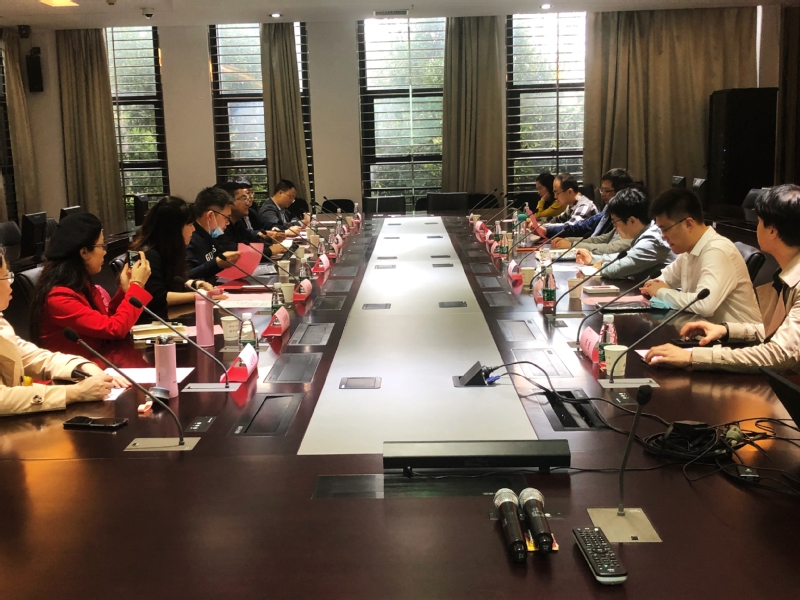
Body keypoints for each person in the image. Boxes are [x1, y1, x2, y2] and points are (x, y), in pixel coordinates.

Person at [645, 185, 800, 373]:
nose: (756, 227)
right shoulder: (786, 274)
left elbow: (780, 353)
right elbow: (776, 331)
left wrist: (692, 357)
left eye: (759, 221)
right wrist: (727, 330)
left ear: (772, 231)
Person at [0, 247, 124, 416]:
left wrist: (83, 367)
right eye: (6, 276)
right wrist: (74, 393)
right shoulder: (59, 296)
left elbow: (34, 357)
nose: (10, 283)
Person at [28, 213, 152, 363]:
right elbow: (114, 329)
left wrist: (125, 291)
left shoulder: (81, 284)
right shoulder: (58, 298)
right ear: (84, 252)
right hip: (77, 373)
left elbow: (106, 322)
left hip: (99, 364)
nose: (105, 252)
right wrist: (137, 285)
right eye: (102, 246)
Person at [639, 188, 761, 323]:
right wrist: (658, 288)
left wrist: (661, 292)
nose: (663, 237)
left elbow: (704, 305)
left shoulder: (716, 250)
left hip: (738, 335)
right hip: (703, 330)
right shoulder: (688, 250)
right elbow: (660, 280)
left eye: (665, 229)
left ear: (688, 224)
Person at [130, 196, 215, 321]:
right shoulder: (147, 255)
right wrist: (200, 295)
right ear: (174, 229)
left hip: (168, 317)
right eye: (190, 225)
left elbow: (174, 281)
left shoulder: (168, 250)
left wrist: (196, 284)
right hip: (150, 322)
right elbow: (157, 297)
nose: (193, 229)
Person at [574, 185, 675, 280]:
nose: (614, 227)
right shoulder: (646, 233)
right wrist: (592, 259)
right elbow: (625, 257)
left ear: (632, 221)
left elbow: (617, 270)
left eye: (615, 222)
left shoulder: (652, 240)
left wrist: (601, 265)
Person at [550, 168, 634, 249]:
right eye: (602, 190)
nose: (603, 194)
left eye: (607, 191)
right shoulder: (607, 211)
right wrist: (568, 240)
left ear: (621, 192)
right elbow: (597, 238)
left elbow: (608, 247)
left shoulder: (625, 217)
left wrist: (571, 245)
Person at [213, 181, 285, 258]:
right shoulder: (218, 227)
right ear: (229, 202)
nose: (248, 203)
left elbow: (251, 241)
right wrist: (270, 251)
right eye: (244, 198)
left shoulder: (238, 222)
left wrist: (272, 245)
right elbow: (235, 251)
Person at [187, 187, 242, 282]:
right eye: (226, 217)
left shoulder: (211, 234)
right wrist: (217, 263)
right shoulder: (189, 238)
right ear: (210, 216)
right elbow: (187, 275)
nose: (228, 223)